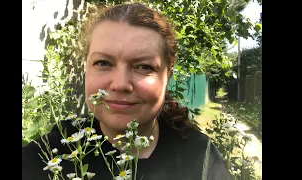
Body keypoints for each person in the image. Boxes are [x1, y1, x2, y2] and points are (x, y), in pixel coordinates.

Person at [22, 3, 233, 180]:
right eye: (103, 62)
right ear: (86, 67)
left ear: (168, 75)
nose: (121, 84)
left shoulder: (201, 160)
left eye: (143, 66)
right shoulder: (42, 159)